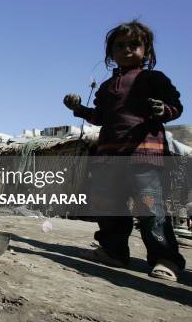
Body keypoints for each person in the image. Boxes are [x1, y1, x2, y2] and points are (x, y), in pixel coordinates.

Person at [63, 20, 185, 282]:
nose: (127, 49)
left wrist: (162, 110)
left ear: (147, 51)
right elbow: (99, 117)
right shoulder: (107, 87)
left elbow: (176, 106)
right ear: (111, 53)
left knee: (150, 207)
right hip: (109, 158)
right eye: (120, 46)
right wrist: (77, 109)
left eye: (134, 44)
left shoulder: (154, 78)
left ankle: (166, 259)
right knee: (109, 206)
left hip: (144, 156)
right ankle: (113, 251)